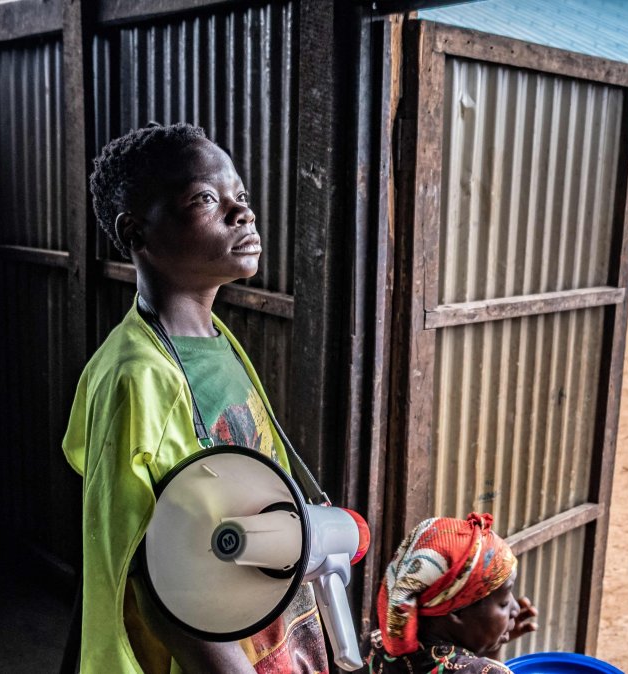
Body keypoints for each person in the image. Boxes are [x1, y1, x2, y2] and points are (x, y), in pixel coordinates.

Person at [63, 123, 330, 672]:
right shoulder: (135, 378)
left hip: (266, 635)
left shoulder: (217, 341)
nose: (243, 214)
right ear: (136, 234)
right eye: (207, 199)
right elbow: (151, 577)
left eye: (242, 198)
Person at [367, 513, 538, 674]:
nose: (515, 608)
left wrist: (493, 646)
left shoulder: (375, 645)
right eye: (504, 603)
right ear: (457, 611)